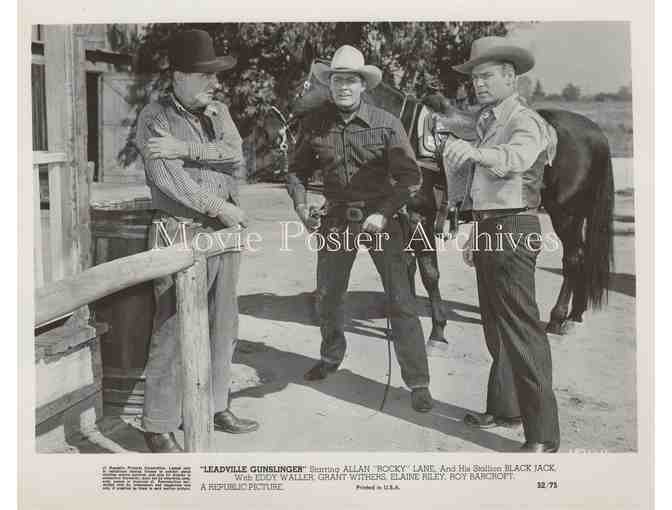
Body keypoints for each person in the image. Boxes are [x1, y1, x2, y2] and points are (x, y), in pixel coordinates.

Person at [286, 45, 433, 413]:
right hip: (336, 220)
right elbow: (296, 171)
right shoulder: (315, 125)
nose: (344, 87)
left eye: (351, 80)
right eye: (337, 80)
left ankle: (418, 381)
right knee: (328, 296)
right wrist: (302, 206)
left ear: (363, 85)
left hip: (382, 220)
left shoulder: (386, 123)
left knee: (401, 301)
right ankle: (331, 355)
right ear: (329, 84)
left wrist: (384, 212)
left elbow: (410, 177)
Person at [135, 29, 259, 453]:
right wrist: (221, 208)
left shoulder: (218, 111)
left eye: (214, 75)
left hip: (224, 235)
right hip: (180, 231)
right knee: (172, 327)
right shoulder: (154, 117)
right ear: (179, 75)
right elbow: (170, 181)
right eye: (205, 76)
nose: (214, 83)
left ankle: (214, 404)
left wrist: (185, 147)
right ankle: (159, 423)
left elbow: (235, 153)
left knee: (224, 321)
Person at [443, 36, 560, 452]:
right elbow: (484, 188)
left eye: (487, 76)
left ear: (511, 77)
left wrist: (473, 153)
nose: (478, 84)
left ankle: (544, 436)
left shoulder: (524, 121)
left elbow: (516, 159)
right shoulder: (489, 121)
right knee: (496, 327)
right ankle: (506, 408)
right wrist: (475, 230)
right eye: (475, 78)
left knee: (522, 331)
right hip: (493, 226)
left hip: (514, 227)